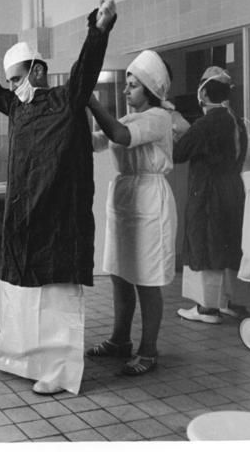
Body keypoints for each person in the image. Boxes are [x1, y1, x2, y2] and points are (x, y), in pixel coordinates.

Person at [0, 0, 117, 395]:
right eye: (9, 81)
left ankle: (58, 372)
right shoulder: (16, 107)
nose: (11, 86)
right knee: (22, 296)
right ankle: (24, 359)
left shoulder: (66, 100)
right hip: (24, 220)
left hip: (60, 219)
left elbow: (86, 67)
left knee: (55, 300)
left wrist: (99, 29)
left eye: (17, 77)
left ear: (37, 71)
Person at [86, 49, 178, 376]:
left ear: (150, 90)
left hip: (150, 200)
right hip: (126, 196)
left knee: (147, 278)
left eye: (133, 85)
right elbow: (98, 140)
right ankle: (119, 340)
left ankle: (149, 350)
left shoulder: (158, 117)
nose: (126, 90)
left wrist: (92, 101)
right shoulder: (129, 116)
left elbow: (120, 137)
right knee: (121, 274)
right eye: (126, 83)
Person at [175, 66, 250, 324]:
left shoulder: (205, 124)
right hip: (233, 189)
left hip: (208, 191)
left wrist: (177, 124)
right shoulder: (236, 120)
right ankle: (234, 303)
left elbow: (179, 153)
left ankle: (207, 309)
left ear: (204, 93)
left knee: (204, 243)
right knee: (230, 243)